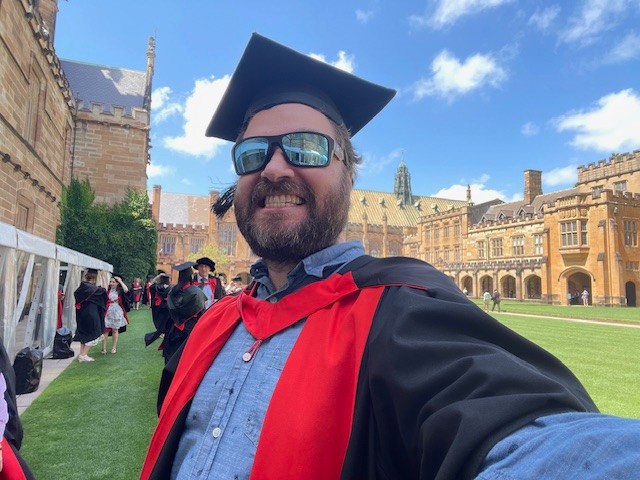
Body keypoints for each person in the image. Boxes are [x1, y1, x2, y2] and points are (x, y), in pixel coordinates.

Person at [141, 33, 640, 480]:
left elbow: (513, 425)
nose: (275, 167)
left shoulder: (401, 313)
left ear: (350, 176)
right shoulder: (217, 323)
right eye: (252, 153)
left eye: (307, 149)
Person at [162, 262, 207, 365]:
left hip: (175, 328)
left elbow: (169, 309)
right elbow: (202, 312)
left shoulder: (173, 291)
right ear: (190, 276)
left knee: (173, 357)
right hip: (192, 328)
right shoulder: (196, 292)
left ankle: (171, 379)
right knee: (189, 357)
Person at [73, 269, 107, 362]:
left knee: (84, 333)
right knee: (95, 333)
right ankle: (83, 355)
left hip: (81, 313)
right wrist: (104, 277)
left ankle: (81, 354)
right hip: (91, 313)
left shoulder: (81, 288)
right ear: (95, 279)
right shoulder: (94, 290)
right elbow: (104, 291)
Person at [101, 274, 130, 354]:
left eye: (113, 282)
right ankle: (103, 348)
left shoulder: (120, 291)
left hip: (117, 311)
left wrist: (120, 281)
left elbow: (127, 291)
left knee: (115, 329)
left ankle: (114, 347)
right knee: (105, 329)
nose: (111, 283)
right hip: (108, 310)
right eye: (110, 282)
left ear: (117, 283)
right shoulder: (108, 290)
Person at [144, 271, 173, 349]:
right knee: (167, 325)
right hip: (168, 307)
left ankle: (156, 336)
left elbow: (150, 284)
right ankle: (164, 339)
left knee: (159, 324)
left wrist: (158, 276)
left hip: (158, 307)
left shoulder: (156, 287)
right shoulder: (172, 287)